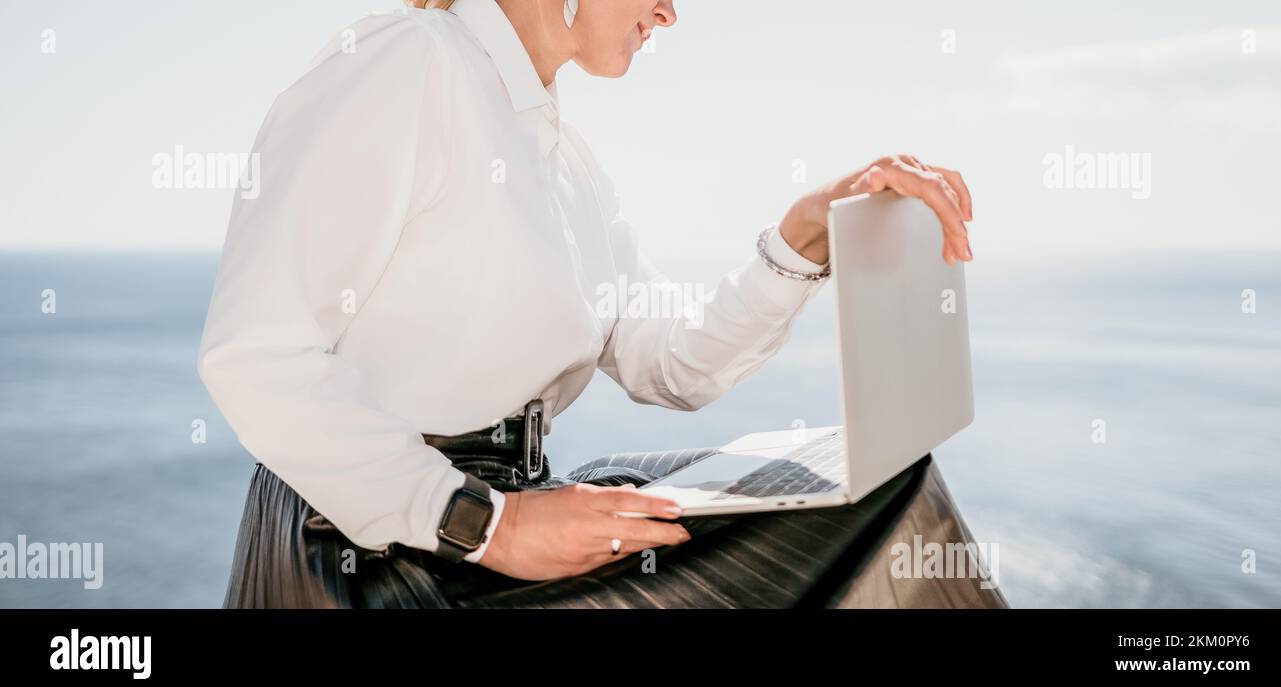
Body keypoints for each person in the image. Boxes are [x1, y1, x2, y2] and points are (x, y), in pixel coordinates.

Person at [199, 0, 994, 608]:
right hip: (370, 552)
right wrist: (493, 525)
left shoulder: (565, 161)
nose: (670, 12)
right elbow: (257, 359)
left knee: (878, 484)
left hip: (508, 518)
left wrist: (806, 232)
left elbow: (673, 363)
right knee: (883, 520)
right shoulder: (407, 64)